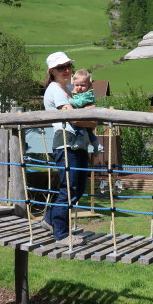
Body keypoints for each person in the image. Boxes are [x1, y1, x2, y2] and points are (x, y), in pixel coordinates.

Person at [41, 52, 97, 247]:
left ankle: (49, 220)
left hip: (76, 144)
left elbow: (83, 118)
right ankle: (61, 235)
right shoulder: (56, 89)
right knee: (70, 188)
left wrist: (91, 119)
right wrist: (94, 118)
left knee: (77, 188)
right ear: (52, 71)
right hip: (66, 143)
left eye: (68, 66)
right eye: (61, 67)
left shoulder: (67, 90)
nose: (66, 70)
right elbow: (73, 118)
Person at [69, 69, 104, 153]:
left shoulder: (88, 94)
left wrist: (69, 100)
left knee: (77, 126)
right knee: (88, 132)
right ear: (73, 84)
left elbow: (79, 103)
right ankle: (97, 145)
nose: (79, 87)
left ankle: (81, 140)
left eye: (82, 85)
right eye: (77, 85)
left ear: (89, 85)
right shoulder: (77, 93)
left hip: (84, 116)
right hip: (83, 115)